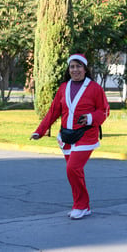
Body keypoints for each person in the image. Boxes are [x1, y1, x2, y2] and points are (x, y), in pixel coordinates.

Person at [30, 53, 110, 220]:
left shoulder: (95, 88)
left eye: (79, 66)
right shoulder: (63, 87)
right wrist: (40, 131)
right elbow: (53, 112)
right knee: (75, 173)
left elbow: (104, 111)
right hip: (66, 137)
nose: (75, 70)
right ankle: (83, 205)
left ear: (85, 69)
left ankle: (80, 205)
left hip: (86, 136)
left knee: (72, 168)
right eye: (72, 67)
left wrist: (89, 118)